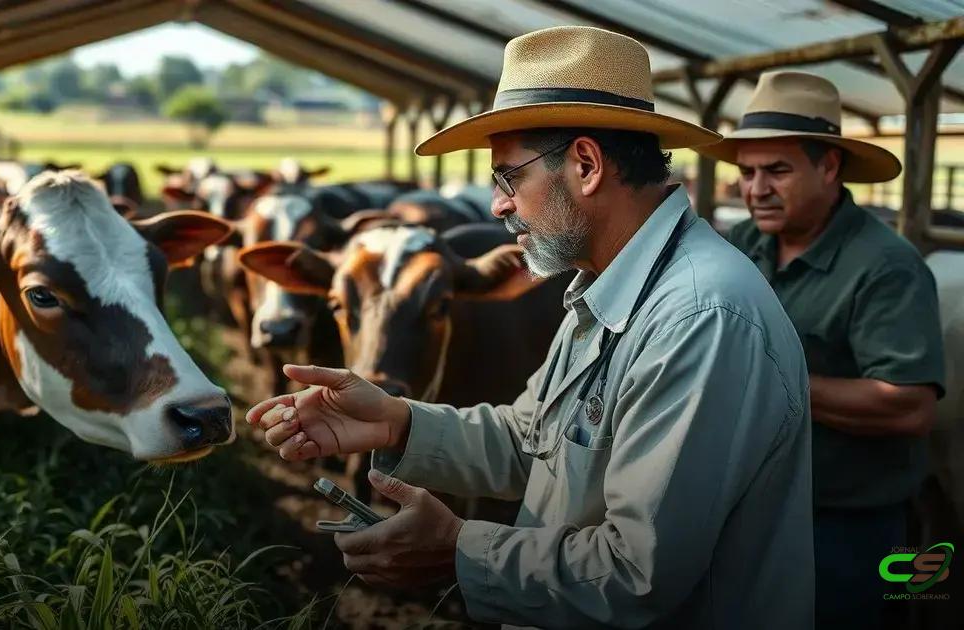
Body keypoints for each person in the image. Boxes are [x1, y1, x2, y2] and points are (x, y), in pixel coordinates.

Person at [248, 26, 814, 629]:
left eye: (507, 177)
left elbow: (637, 575)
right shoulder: (612, 285)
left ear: (587, 165)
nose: (497, 205)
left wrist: (458, 549)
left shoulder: (699, 319)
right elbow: (533, 439)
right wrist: (396, 421)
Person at [700, 70, 946, 629]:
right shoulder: (740, 245)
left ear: (829, 167)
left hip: (848, 526)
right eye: (747, 173)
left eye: (778, 171)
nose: (756, 189)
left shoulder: (886, 267)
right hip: (747, 514)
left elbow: (908, 406)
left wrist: (765, 377)